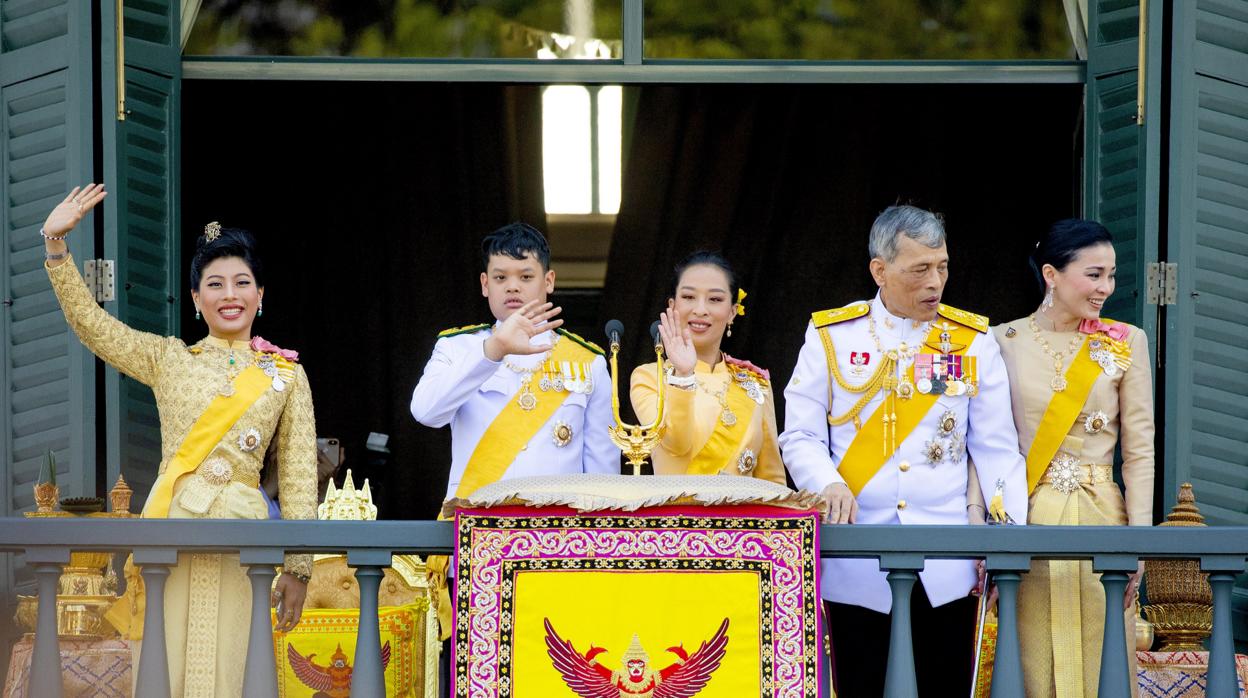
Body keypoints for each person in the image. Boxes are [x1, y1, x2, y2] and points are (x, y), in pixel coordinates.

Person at [42, 185, 317, 697]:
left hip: (246, 538)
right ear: (195, 299)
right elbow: (93, 326)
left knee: (241, 666)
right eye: (215, 284)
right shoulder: (170, 359)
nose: (229, 294)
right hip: (171, 528)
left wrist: (299, 567)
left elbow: (300, 473)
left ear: (261, 293)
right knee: (164, 667)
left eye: (242, 282)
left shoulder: (285, 375)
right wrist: (57, 247)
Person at [779, 204, 1028, 696]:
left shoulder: (970, 341)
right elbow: (801, 434)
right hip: (857, 560)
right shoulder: (833, 335)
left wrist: (1003, 534)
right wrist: (826, 482)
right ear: (880, 270)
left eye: (943, 267)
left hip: (948, 565)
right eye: (920, 270)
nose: (935, 283)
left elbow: (996, 447)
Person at [995, 219, 1153, 697]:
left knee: (1102, 660)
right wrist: (984, 524)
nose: (1106, 287)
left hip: (1103, 516)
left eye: (1110, 275)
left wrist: (1139, 541)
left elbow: (1140, 450)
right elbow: (990, 445)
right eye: (1093, 274)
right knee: (1028, 660)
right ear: (1051, 274)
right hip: (1027, 518)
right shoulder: (1002, 340)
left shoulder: (1126, 340)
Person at [629, 251, 784, 484]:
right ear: (672, 306)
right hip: (678, 518)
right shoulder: (649, 377)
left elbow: (772, 478)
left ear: (732, 311)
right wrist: (682, 375)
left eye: (715, 299)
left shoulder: (755, 383)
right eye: (689, 297)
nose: (700, 309)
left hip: (743, 519)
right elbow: (676, 443)